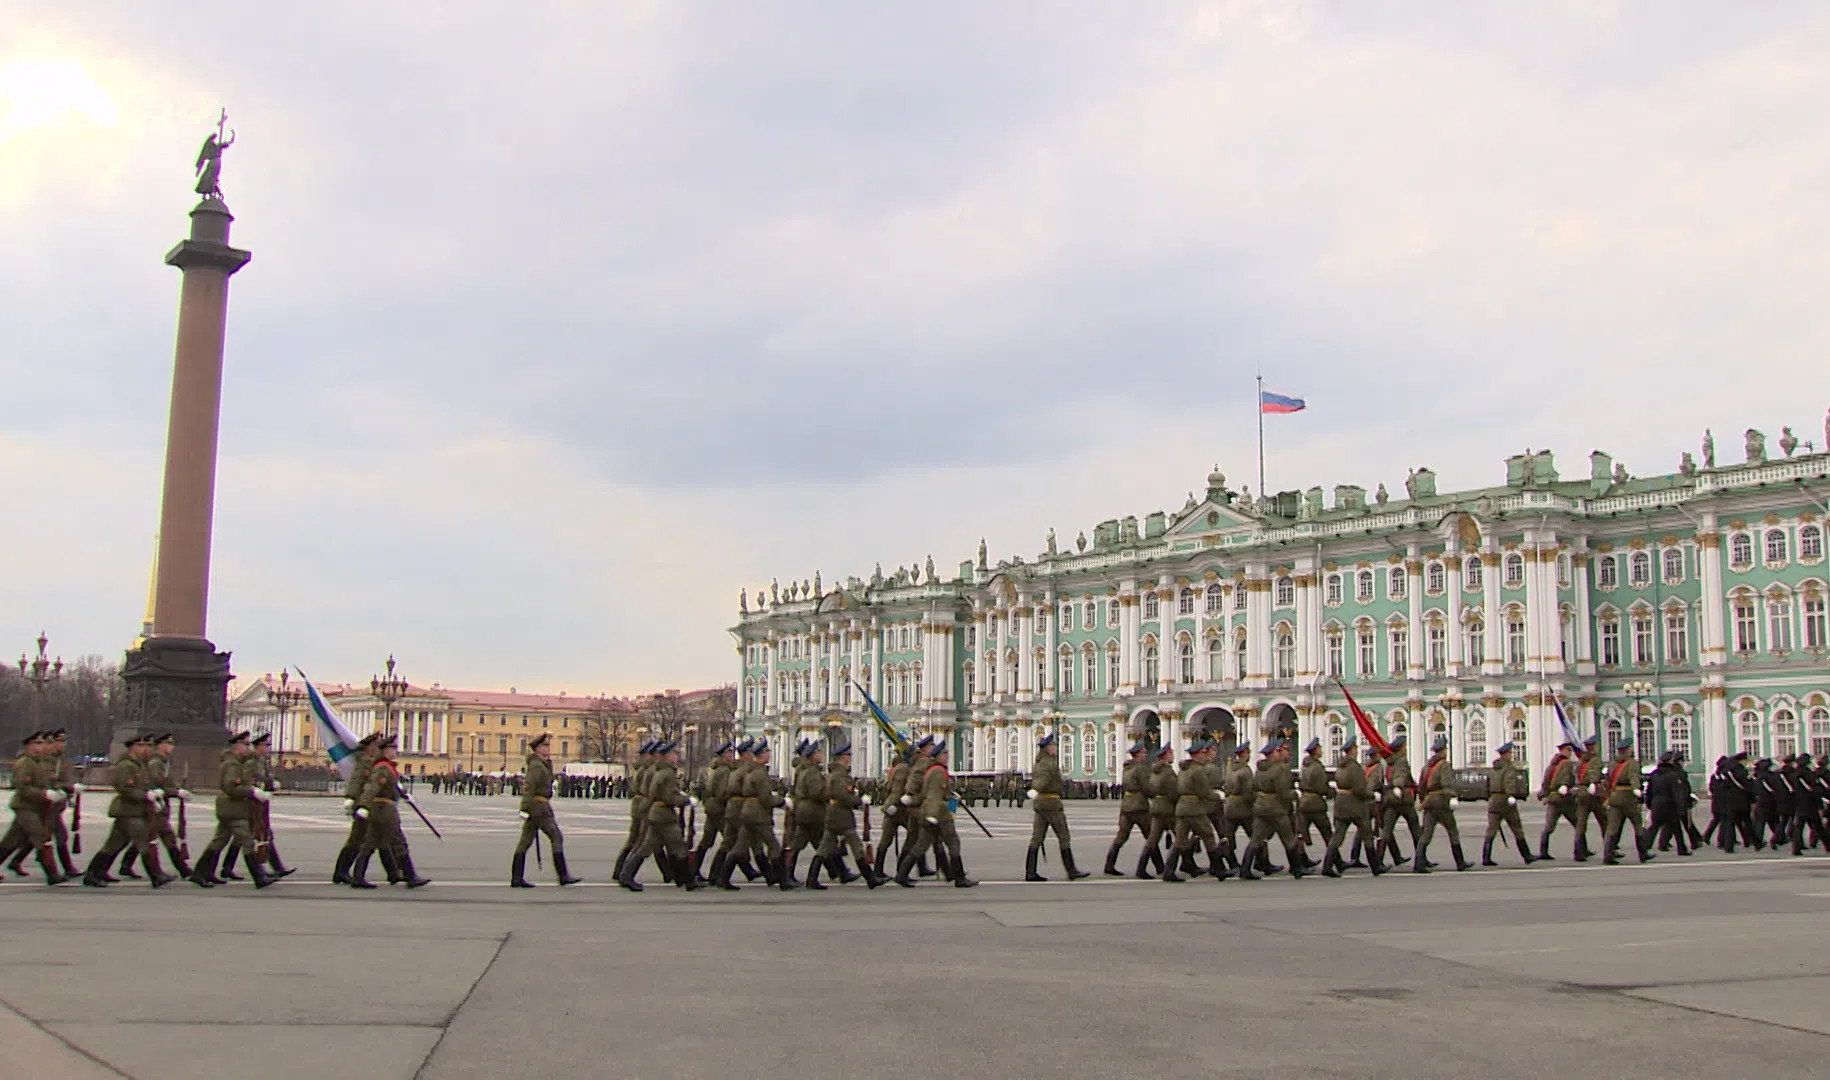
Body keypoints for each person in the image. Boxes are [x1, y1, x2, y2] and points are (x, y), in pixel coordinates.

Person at [186, 732, 272, 888]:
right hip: (232, 809)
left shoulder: (237, 763)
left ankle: (200, 873)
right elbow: (230, 787)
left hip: (231, 809)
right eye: (245, 744)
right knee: (246, 841)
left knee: (219, 841)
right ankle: (259, 877)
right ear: (236, 746)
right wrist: (251, 792)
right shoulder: (231, 764)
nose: (248, 748)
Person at [351, 735, 430, 889]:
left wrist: (403, 793)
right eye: (393, 748)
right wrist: (364, 806)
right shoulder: (383, 767)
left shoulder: (387, 766)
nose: (395, 751)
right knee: (398, 841)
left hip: (380, 808)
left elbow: (390, 786)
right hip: (384, 809)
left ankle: (358, 876)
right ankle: (410, 876)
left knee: (370, 843)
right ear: (386, 750)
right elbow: (372, 787)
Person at [618, 741, 699, 892]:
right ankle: (688, 881)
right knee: (679, 846)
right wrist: (686, 800)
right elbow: (669, 796)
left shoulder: (659, 772)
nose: (676, 756)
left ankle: (626, 875)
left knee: (646, 847)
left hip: (656, 813)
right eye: (673, 754)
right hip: (663, 815)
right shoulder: (667, 773)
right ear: (667, 756)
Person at [895, 740, 974, 888]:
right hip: (938, 812)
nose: (947, 756)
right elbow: (933, 795)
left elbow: (927, 794)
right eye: (945, 753)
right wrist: (932, 815)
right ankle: (959, 877)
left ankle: (902, 874)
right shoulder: (938, 772)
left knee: (922, 844)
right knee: (953, 842)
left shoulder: (932, 770)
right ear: (938, 756)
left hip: (929, 811)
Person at [116, 733, 195, 881]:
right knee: (163, 836)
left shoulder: (163, 762)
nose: (172, 746)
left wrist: (177, 790)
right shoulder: (155, 763)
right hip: (152, 805)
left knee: (136, 838)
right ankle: (175, 870)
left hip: (156, 804)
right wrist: (174, 792)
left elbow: (166, 782)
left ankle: (125, 866)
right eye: (169, 743)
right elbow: (153, 783)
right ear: (161, 745)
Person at [512, 733, 580, 887]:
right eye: (545, 746)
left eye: (548, 745)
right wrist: (524, 808)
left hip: (538, 807)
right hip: (540, 808)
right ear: (537, 749)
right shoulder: (537, 766)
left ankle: (516, 878)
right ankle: (563, 876)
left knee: (525, 842)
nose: (548, 748)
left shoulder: (542, 764)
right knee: (557, 837)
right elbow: (529, 787)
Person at [811, 742, 881, 889]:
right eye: (848, 755)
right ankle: (870, 878)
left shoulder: (833, 774)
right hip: (841, 816)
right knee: (856, 846)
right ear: (842, 757)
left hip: (833, 814)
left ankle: (812, 878)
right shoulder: (840, 776)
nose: (850, 758)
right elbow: (843, 796)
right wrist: (859, 801)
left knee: (824, 848)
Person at [0, 732, 65, 885]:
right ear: (28, 746)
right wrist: (44, 794)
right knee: (41, 837)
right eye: (37, 743)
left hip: (35, 808)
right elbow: (22, 787)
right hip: (25, 808)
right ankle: (52, 874)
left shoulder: (38, 762)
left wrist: (60, 790)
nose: (41, 746)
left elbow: (46, 782)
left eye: (42, 743)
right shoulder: (25, 763)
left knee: (12, 841)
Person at [1026, 730, 1088, 881]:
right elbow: (1044, 781)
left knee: (1037, 838)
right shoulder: (1049, 763)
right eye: (1053, 745)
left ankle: (1030, 872)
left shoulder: (1039, 763)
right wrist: (1035, 790)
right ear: (1048, 747)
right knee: (1064, 836)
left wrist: (1035, 792)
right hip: (1051, 804)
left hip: (1041, 804)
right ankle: (1071, 870)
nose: (1055, 747)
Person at [1412, 736, 1471, 873]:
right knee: (1452, 831)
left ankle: (1418, 862)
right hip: (1441, 801)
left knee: (1426, 833)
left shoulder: (1427, 767)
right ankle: (1460, 862)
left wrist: (1423, 801)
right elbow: (1447, 784)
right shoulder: (1444, 765)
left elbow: (1421, 786)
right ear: (1443, 751)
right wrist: (1452, 796)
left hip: (1429, 802)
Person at [1322, 735, 1378, 877]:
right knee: (1367, 835)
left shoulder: (1340, 767)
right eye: (1356, 748)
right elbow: (1360, 789)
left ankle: (1327, 865)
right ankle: (1376, 867)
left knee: (1338, 836)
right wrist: (1372, 795)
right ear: (1352, 750)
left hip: (1341, 804)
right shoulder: (1354, 767)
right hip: (1355, 806)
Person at [332, 734, 384, 884]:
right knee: (357, 840)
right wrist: (351, 798)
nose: (376, 749)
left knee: (359, 839)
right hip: (362, 805)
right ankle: (341, 872)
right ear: (368, 747)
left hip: (367, 805)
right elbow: (356, 780)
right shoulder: (365, 762)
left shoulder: (370, 761)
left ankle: (342, 871)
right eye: (374, 746)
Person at [1483, 742, 1535, 867]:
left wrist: (1489, 797)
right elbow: (1509, 782)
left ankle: (1486, 857)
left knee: (1491, 830)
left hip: (1493, 801)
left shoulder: (1494, 768)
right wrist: (1511, 795)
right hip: (1505, 801)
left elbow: (1487, 785)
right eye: (1510, 753)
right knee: (1517, 828)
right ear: (1505, 754)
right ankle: (1527, 855)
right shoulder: (1508, 768)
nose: (1511, 755)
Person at [784, 740, 828, 887]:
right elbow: (817, 792)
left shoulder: (804, 770)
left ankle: (788, 875)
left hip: (804, 812)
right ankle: (812, 878)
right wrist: (829, 793)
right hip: (812, 812)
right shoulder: (812, 772)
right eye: (818, 752)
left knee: (797, 844)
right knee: (823, 844)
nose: (821, 754)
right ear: (812, 755)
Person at [1602, 741, 1654, 865]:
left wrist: (1608, 795)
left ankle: (1608, 854)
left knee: (1612, 828)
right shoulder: (1631, 763)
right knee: (1637, 825)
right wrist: (1636, 788)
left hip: (1614, 798)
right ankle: (1643, 853)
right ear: (1628, 750)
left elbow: (1607, 781)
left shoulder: (1612, 764)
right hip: (1628, 798)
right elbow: (1633, 776)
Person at [1106, 741, 1151, 876]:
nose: (1145, 754)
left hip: (1126, 806)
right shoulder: (1140, 769)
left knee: (1121, 836)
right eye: (1143, 752)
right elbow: (1146, 787)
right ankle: (1158, 867)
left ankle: (1109, 864)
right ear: (1138, 754)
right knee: (1151, 836)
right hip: (1139, 807)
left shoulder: (1127, 768)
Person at [1378, 736, 1422, 869]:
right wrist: (1398, 786)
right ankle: (1421, 860)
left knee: (1387, 831)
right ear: (1401, 748)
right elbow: (1401, 776)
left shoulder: (1389, 762)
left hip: (1390, 799)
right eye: (1405, 746)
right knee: (1415, 829)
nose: (1406, 749)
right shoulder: (1401, 761)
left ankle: (1378, 860)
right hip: (1403, 799)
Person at [1135, 743, 1177, 879]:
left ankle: (1141, 868)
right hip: (1167, 808)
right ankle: (1178, 868)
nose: (1173, 755)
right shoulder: (1168, 772)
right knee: (1181, 836)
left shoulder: (1154, 771)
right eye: (1171, 753)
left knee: (1152, 839)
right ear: (1165, 756)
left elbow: (1150, 789)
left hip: (1156, 807)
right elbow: (1173, 792)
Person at [1535, 740, 1581, 861]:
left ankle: (1543, 851)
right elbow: (1567, 777)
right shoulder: (1566, 764)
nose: (1570, 753)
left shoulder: (1551, 765)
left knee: (1549, 827)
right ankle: (1580, 852)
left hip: (1553, 798)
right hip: (1565, 799)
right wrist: (1566, 785)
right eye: (1569, 750)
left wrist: (1544, 794)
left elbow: (1545, 781)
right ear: (1564, 751)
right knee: (1578, 824)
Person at [1645, 751, 1691, 857]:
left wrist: (1649, 804)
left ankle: (1644, 846)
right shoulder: (1673, 775)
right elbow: (1677, 793)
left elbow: (1649, 791)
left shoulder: (1654, 774)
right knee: (1676, 828)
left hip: (1656, 804)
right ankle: (1682, 849)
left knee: (1654, 827)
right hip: (1670, 805)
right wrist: (1681, 807)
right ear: (1670, 761)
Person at [1295, 737, 1333, 855]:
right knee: (1327, 833)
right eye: (1320, 748)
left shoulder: (1304, 766)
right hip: (1315, 804)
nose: (1321, 750)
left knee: (1300, 833)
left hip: (1304, 802)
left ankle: (1299, 861)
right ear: (1315, 750)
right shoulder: (1317, 767)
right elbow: (1322, 787)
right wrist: (1331, 792)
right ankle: (1335, 860)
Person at [1572, 736, 1608, 860]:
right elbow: (1594, 772)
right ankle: (1610, 850)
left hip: (1581, 793)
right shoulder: (1595, 760)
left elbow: (1576, 774)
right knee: (1605, 822)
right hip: (1593, 795)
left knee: (1581, 824)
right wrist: (1593, 782)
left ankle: (1578, 851)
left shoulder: (1580, 760)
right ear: (1593, 746)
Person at [1791, 753, 1825, 856]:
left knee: (1799, 827)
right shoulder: (1808, 774)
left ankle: (1796, 848)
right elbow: (1813, 789)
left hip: (1799, 804)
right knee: (1818, 827)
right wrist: (1819, 804)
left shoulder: (1795, 774)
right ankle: (1828, 845)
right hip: (1810, 804)